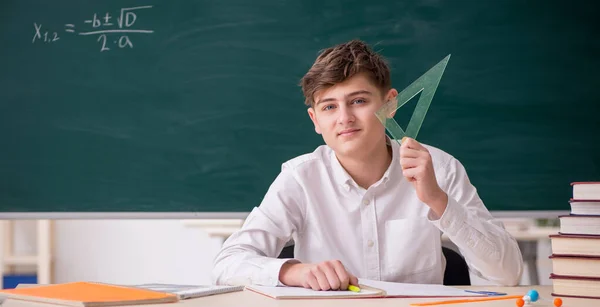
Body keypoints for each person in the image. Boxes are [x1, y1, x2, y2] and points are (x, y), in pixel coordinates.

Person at [212, 39, 523, 290]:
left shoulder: (439, 168)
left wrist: (438, 201)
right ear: (315, 120)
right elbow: (227, 264)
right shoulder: (300, 178)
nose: (345, 118)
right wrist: (293, 272)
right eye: (330, 106)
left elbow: (508, 274)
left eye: (358, 101)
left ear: (390, 104)